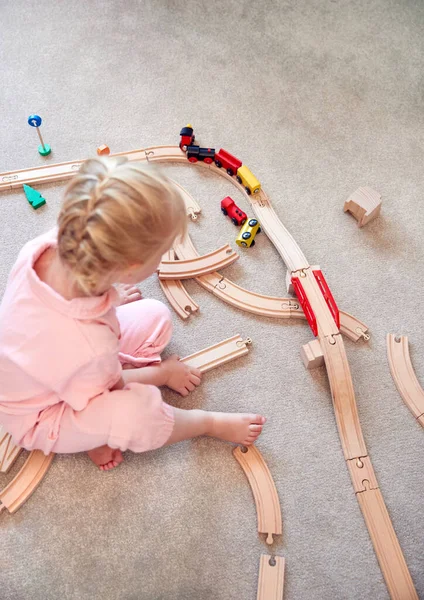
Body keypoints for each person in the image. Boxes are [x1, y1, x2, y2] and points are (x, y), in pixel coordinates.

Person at [0, 157, 265, 471]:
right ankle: (204, 423)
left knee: (156, 316)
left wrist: (108, 297)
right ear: (131, 268)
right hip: (40, 415)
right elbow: (112, 385)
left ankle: (92, 430)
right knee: (138, 417)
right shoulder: (89, 346)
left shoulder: (47, 244)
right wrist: (164, 373)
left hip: (53, 362)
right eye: (161, 253)